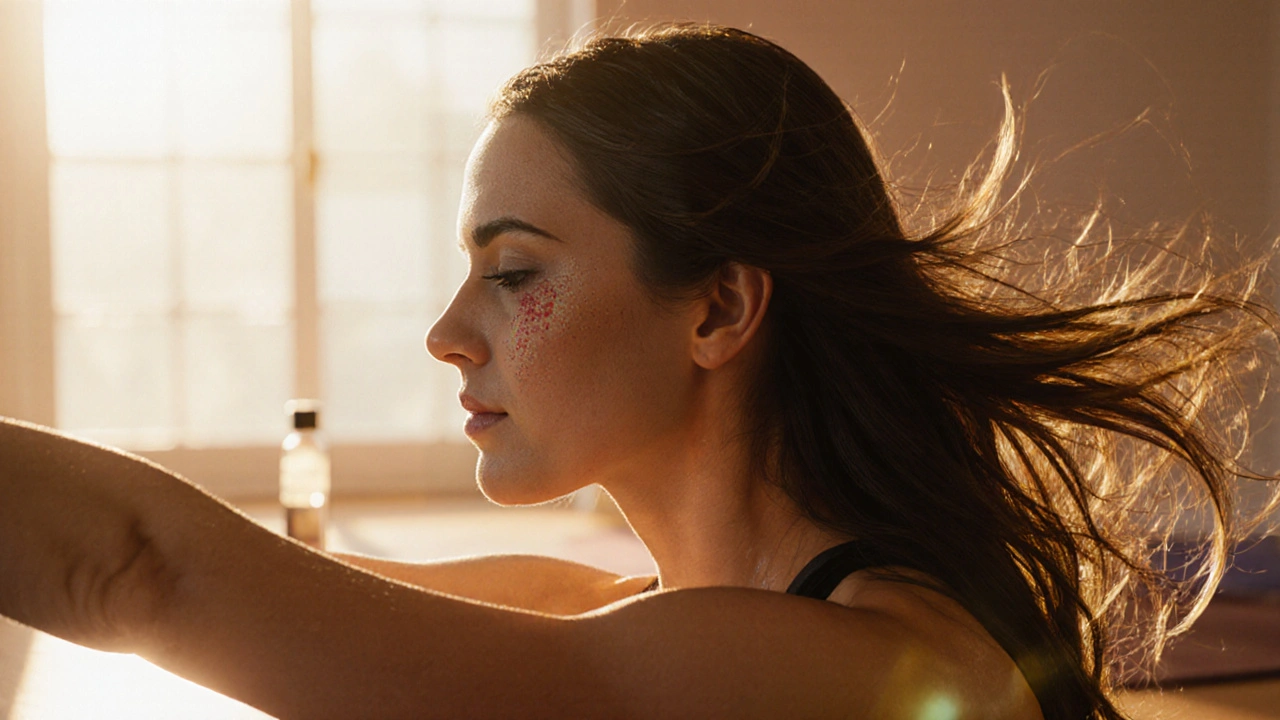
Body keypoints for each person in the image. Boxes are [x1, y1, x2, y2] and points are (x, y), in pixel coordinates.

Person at [0, 24, 1274, 720]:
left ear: (717, 308)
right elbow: (300, 587)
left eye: (514, 272)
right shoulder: (688, 613)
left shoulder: (849, 672)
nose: (448, 333)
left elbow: (141, 567)